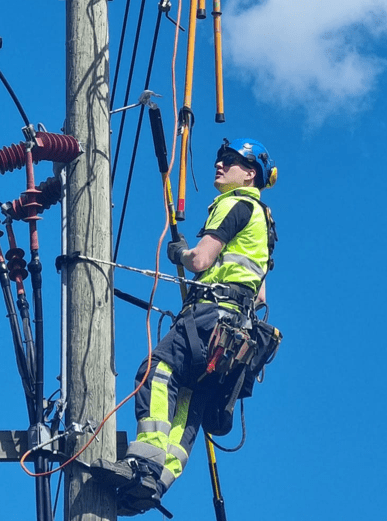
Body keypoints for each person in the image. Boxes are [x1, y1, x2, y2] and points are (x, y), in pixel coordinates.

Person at [91, 137, 282, 515]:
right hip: (234, 335)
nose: (220, 164)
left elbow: (199, 260)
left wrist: (179, 251)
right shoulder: (265, 224)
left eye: (230, 160)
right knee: (188, 405)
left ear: (250, 175)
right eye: (220, 158)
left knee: (157, 373)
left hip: (210, 319)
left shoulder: (235, 204)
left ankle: (143, 465)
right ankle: (154, 484)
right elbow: (260, 297)